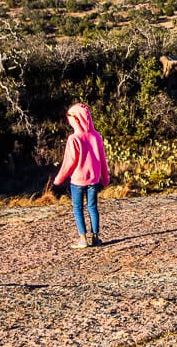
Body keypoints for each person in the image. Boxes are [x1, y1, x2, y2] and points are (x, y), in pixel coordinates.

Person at [53, 103, 110, 249]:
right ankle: (96, 237)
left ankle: (83, 239)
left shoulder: (74, 139)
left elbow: (69, 163)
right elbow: (102, 159)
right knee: (92, 207)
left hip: (77, 180)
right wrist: (105, 177)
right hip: (94, 180)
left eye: (69, 117)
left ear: (76, 119)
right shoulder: (96, 136)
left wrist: (58, 180)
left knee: (77, 208)